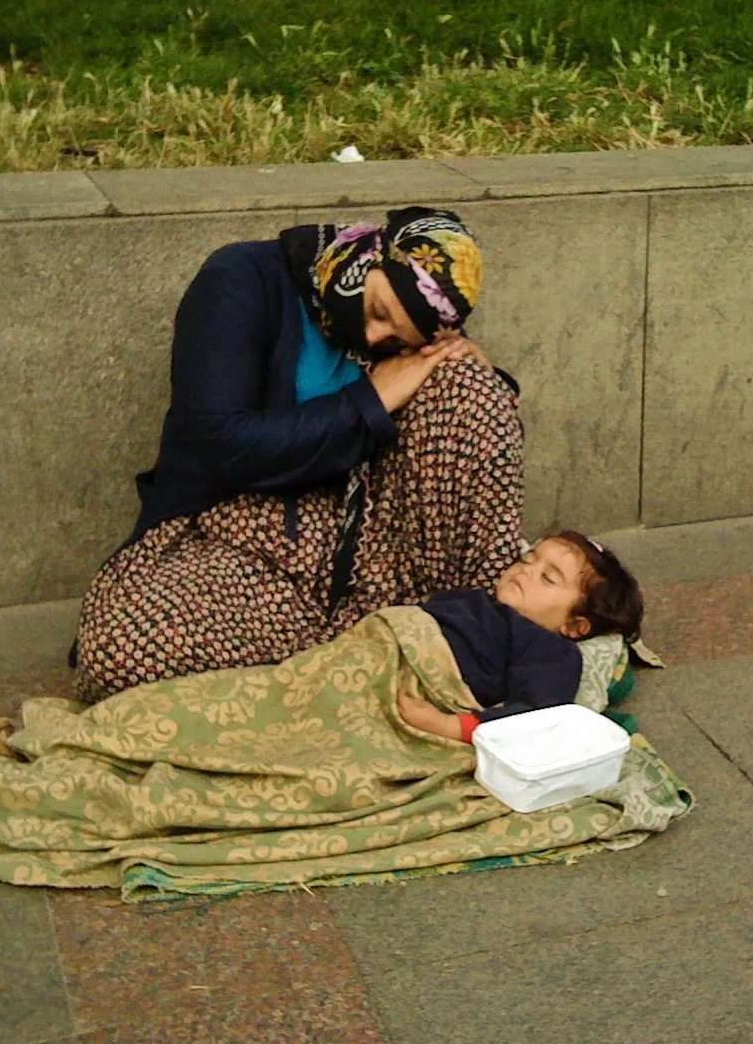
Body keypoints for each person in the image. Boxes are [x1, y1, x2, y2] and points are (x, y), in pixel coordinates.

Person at [74, 207, 523, 704]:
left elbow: (460, 429)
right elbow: (218, 442)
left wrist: (479, 379)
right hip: (241, 541)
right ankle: (364, 668)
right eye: (376, 312)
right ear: (367, 254)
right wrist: (368, 402)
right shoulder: (241, 280)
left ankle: (481, 636)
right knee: (116, 653)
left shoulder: (403, 338)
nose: (375, 339)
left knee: (473, 386)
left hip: (373, 555)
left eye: (396, 340)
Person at [400, 531, 645, 743]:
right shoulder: (472, 599)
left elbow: (533, 719)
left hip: (424, 682)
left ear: (574, 625)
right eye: (527, 559)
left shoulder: (550, 651)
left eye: (548, 578)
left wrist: (451, 727)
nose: (527, 570)